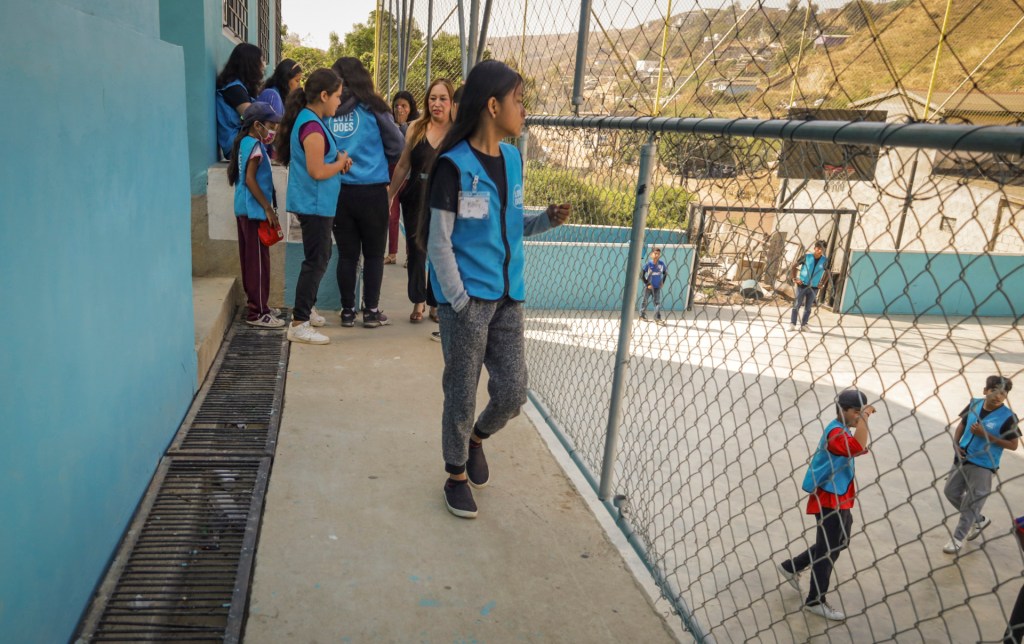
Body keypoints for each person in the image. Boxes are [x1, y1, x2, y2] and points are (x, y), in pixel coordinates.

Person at [426, 60, 571, 519]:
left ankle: (475, 441)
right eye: (519, 100)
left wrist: (545, 220)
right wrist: (460, 301)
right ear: (493, 105)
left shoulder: (513, 159)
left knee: (512, 391)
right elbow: (438, 243)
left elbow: (509, 225)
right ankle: (455, 474)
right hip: (469, 300)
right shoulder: (453, 166)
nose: (524, 109)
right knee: (462, 390)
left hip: (510, 297)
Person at [778, 388, 875, 622]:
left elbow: (854, 447)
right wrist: (865, 420)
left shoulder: (841, 430)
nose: (859, 416)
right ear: (843, 410)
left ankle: (792, 566)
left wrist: (858, 432)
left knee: (837, 542)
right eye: (856, 412)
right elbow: (856, 446)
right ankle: (815, 600)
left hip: (840, 496)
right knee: (828, 550)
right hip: (829, 498)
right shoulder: (835, 433)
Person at [326, 57, 405, 329]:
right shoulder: (374, 108)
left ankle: (347, 311)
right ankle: (371, 311)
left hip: (338, 191)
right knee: (373, 255)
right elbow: (397, 145)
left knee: (347, 255)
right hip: (372, 191)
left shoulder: (329, 108)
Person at [277, 68, 352, 345]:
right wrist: (339, 163)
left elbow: (321, 165)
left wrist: (338, 164)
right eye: (337, 97)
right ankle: (299, 322)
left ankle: (307, 309)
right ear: (323, 95)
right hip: (314, 204)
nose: (339, 102)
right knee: (317, 259)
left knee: (318, 258)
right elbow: (318, 170)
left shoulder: (312, 121)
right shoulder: (312, 126)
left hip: (317, 203)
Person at [388, 78, 454, 324]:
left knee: (440, 249)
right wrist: (390, 194)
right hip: (416, 195)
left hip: (445, 199)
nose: (437, 104)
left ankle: (436, 302)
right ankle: (419, 300)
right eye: (432, 98)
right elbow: (404, 164)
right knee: (416, 249)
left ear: (451, 102)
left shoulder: (458, 132)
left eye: (443, 98)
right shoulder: (416, 127)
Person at [943, 376, 1019, 554]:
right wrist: (956, 443)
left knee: (973, 501)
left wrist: (986, 435)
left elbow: (1013, 445)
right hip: (962, 458)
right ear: (985, 391)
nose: (998, 396)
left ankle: (957, 538)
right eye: (994, 391)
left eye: (1003, 393)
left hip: (984, 465)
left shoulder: (1008, 417)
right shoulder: (974, 404)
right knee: (950, 492)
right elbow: (962, 424)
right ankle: (980, 519)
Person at [227, 102, 285, 328]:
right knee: (258, 263)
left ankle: (260, 305)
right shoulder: (256, 146)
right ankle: (257, 313)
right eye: (271, 125)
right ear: (258, 125)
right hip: (254, 212)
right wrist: (268, 209)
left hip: (245, 209)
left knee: (252, 261)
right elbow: (251, 180)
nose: (274, 129)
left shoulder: (245, 143)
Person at [385, 90, 421, 264]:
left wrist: (404, 125)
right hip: (393, 173)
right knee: (392, 214)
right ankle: (392, 253)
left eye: (404, 106)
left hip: (408, 176)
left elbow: (407, 145)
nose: (399, 109)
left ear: (410, 108)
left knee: (409, 217)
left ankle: (409, 255)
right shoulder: (389, 124)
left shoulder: (415, 125)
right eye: (397, 106)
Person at [216, 43, 265, 160]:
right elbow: (252, 117)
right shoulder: (234, 89)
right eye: (261, 61)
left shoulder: (241, 87)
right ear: (250, 64)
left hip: (242, 142)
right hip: (235, 145)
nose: (263, 65)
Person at [790, 240, 828, 332]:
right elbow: (794, 266)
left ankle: (804, 325)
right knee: (796, 305)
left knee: (808, 308)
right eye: (818, 248)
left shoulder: (825, 260)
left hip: (814, 287)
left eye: (821, 249)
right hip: (802, 285)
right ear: (815, 248)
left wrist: (822, 283)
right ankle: (792, 324)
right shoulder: (807, 257)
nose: (819, 250)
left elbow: (827, 272)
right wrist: (795, 278)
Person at [639, 246, 667, 323]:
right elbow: (642, 275)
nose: (657, 255)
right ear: (651, 254)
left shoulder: (661, 264)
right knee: (645, 301)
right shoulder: (648, 264)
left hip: (657, 287)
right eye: (655, 253)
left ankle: (657, 318)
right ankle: (641, 315)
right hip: (649, 287)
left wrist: (662, 282)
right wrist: (647, 284)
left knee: (657, 302)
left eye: (658, 254)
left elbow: (665, 273)